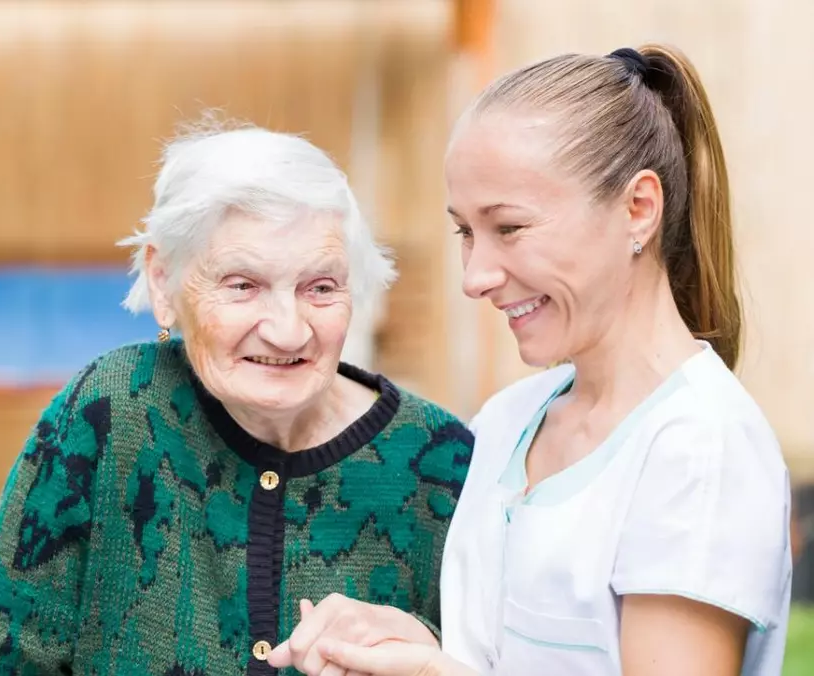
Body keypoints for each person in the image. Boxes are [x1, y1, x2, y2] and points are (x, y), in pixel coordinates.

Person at [267, 44, 792, 676]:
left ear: (638, 209)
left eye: (509, 228)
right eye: (466, 232)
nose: (475, 277)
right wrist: (411, 646)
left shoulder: (701, 449)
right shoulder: (506, 420)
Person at [0, 120, 475, 675]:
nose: (287, 331)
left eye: (320, 287)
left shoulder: (444, 460)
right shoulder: (108, 414)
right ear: (163, 282)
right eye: (242, 285)